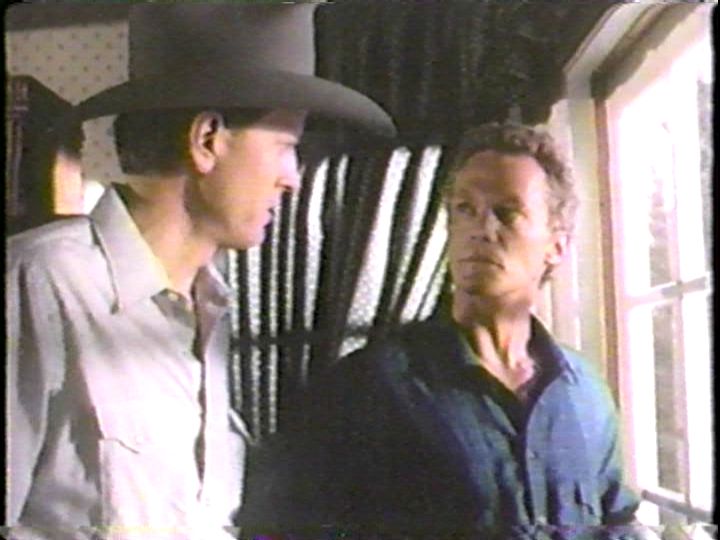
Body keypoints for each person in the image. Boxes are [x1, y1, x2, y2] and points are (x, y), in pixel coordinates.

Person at [5, 4, 395, 540]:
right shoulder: (41, 283)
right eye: (286, 147)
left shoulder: (209, 312)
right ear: (207, 139)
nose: (293, 179)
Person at [242, 122, 643, 539]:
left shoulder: (585, 395)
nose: (481, 229)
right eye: (465, 209)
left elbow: (617, 522)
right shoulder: (369, 387)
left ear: (555, 246)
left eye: (507, 212)